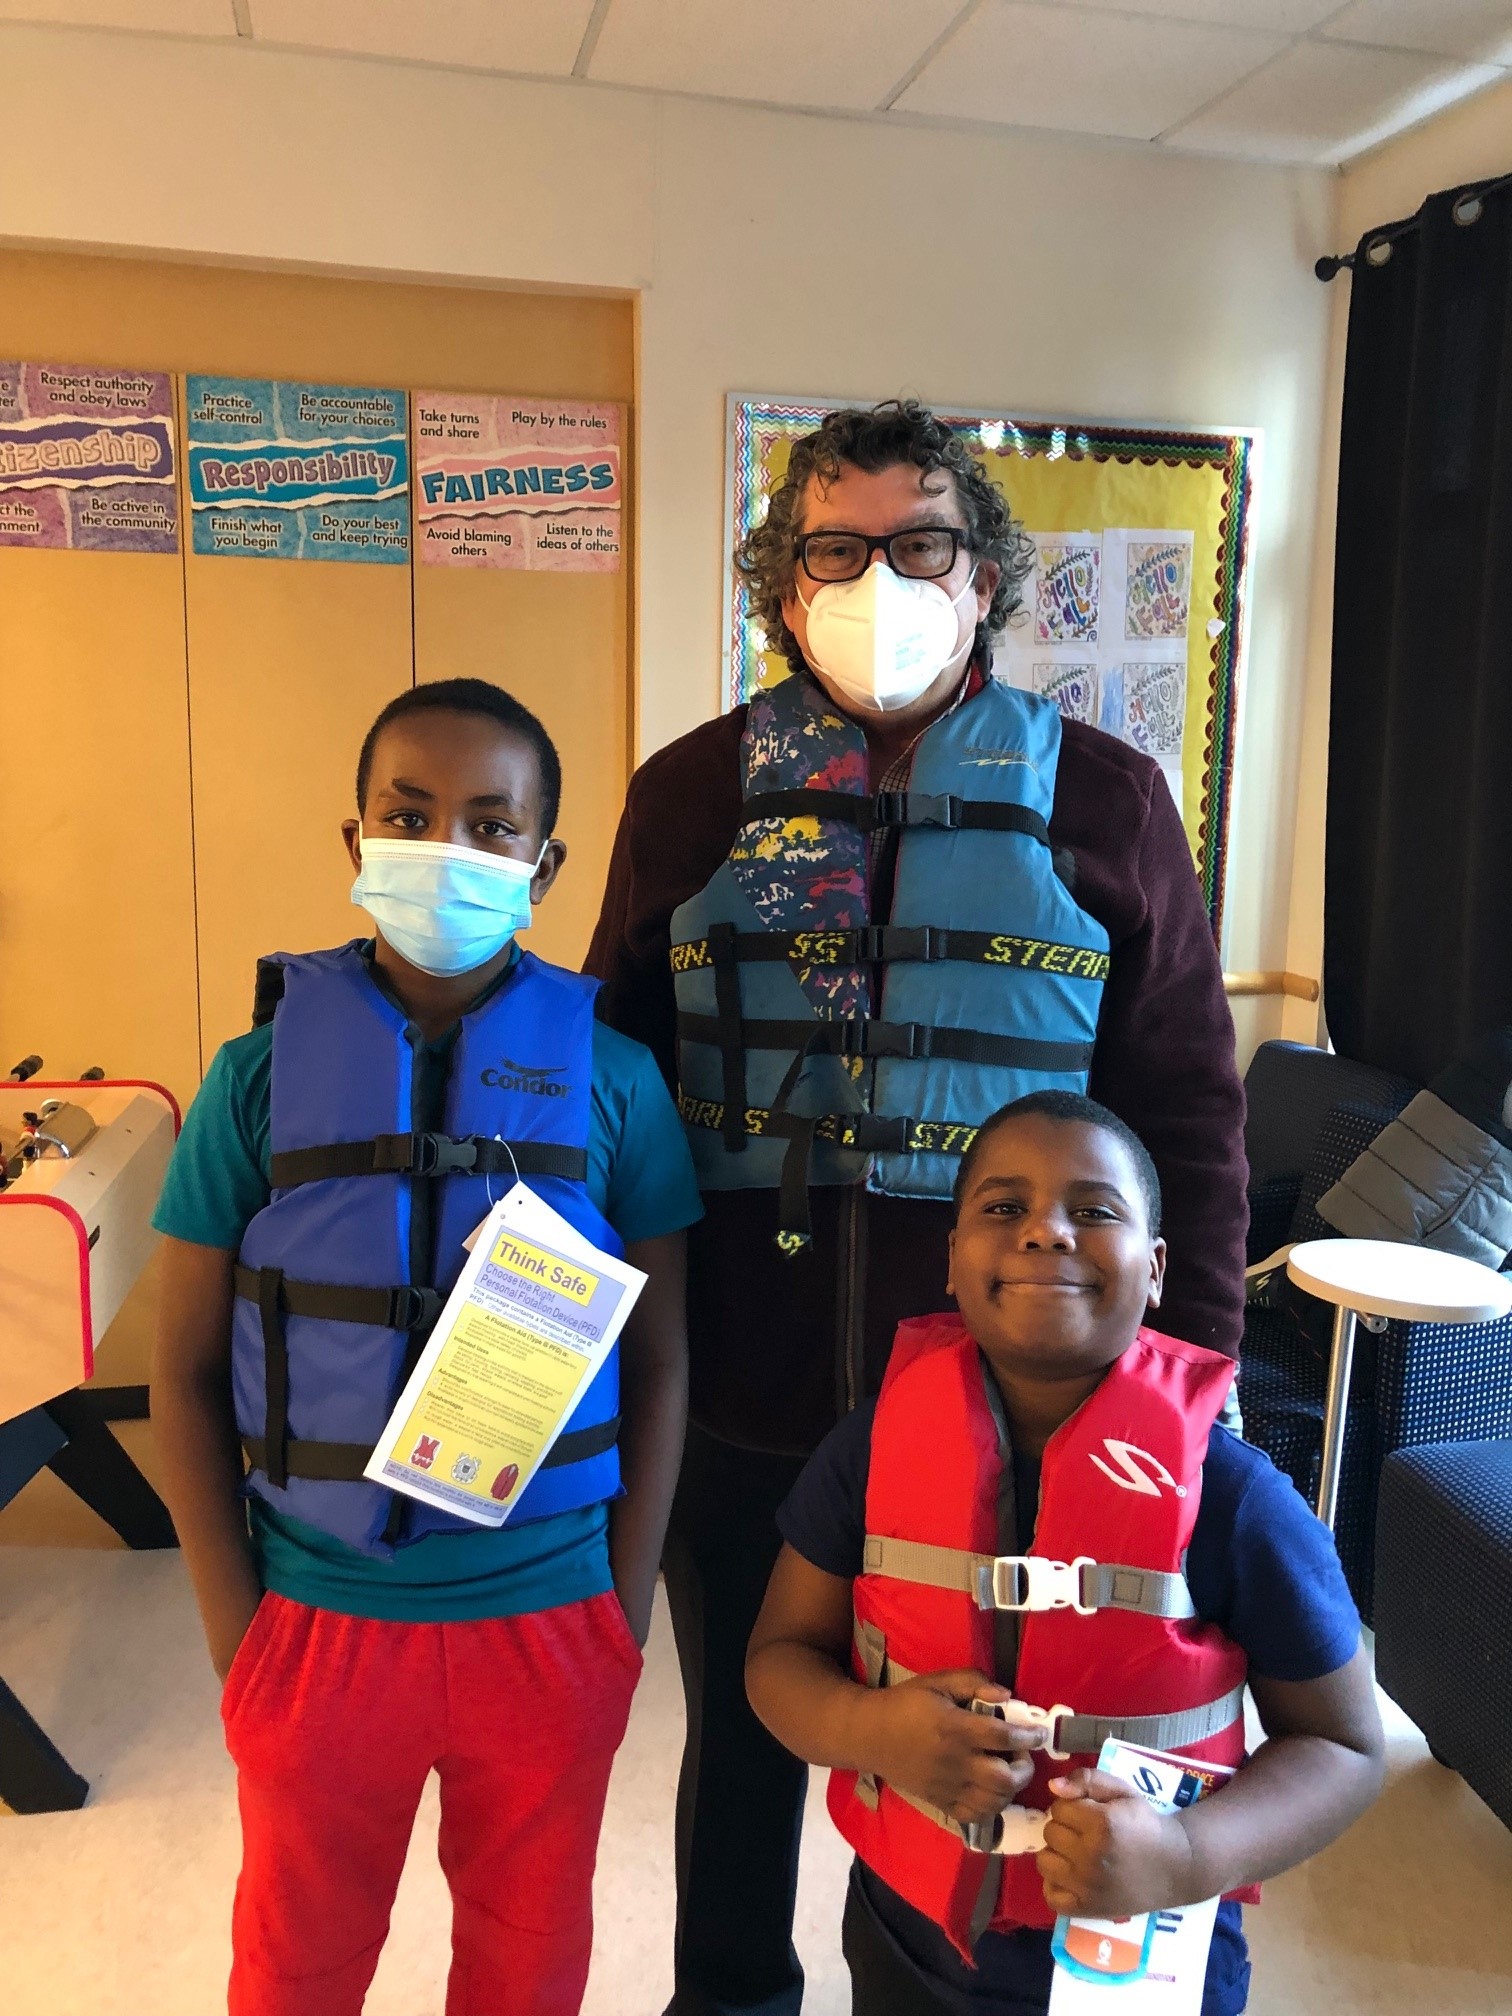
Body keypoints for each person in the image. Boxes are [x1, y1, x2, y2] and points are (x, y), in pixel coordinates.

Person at [585, 400, 1250, 2013]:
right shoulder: (689, 793)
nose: (877, 576)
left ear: (982, 575)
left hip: (1019, 1402)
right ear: (779, 576)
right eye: (835, 544)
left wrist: (1199, 1386)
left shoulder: (1104, 802)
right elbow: (601, 1095)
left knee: (1016, 1762)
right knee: (743, 1756)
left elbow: (1186, 1112)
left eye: (919, 542)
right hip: (740, 1392)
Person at [150, 678, 700, 2016]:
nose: (447, 847)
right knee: (296, 1963)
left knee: (528, 1966)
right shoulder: (256, 1077)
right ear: (356, 843)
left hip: (549, 1621)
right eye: (409, 813)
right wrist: (239, 1630)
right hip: (318, 1621)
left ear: (545, 863)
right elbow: (176, 1366)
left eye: (491, 824)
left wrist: (619, 1620)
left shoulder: (619, 1082)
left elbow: (667, 1356)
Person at [746, 1092, 1384, 2015]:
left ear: (1157, 1269)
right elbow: (776, 1662)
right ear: (953, 1261)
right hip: (910, 1942)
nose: (1046, 1231)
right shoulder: (872, 1451)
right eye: (1004, 1208)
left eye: (1093, 1210)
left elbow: (1344, 1744)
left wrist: (1191, 1856)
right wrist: (871, 1731)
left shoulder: (1232, 1494)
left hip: (1145, 1964)